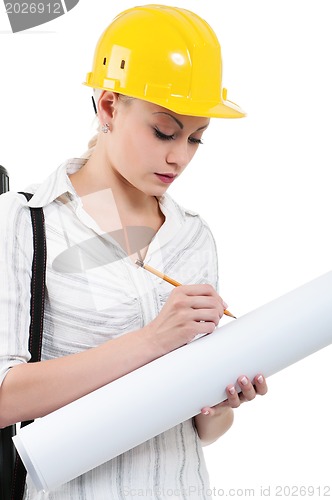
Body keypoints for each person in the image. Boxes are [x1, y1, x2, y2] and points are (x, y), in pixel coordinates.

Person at [0, 4, 267, 499]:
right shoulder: (26, 221)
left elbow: (203, 432)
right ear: (108, 106)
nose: (179, 156)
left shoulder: (192, 237)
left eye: (196, 138)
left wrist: (225, 400)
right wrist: (152, 340)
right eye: (163, 131)